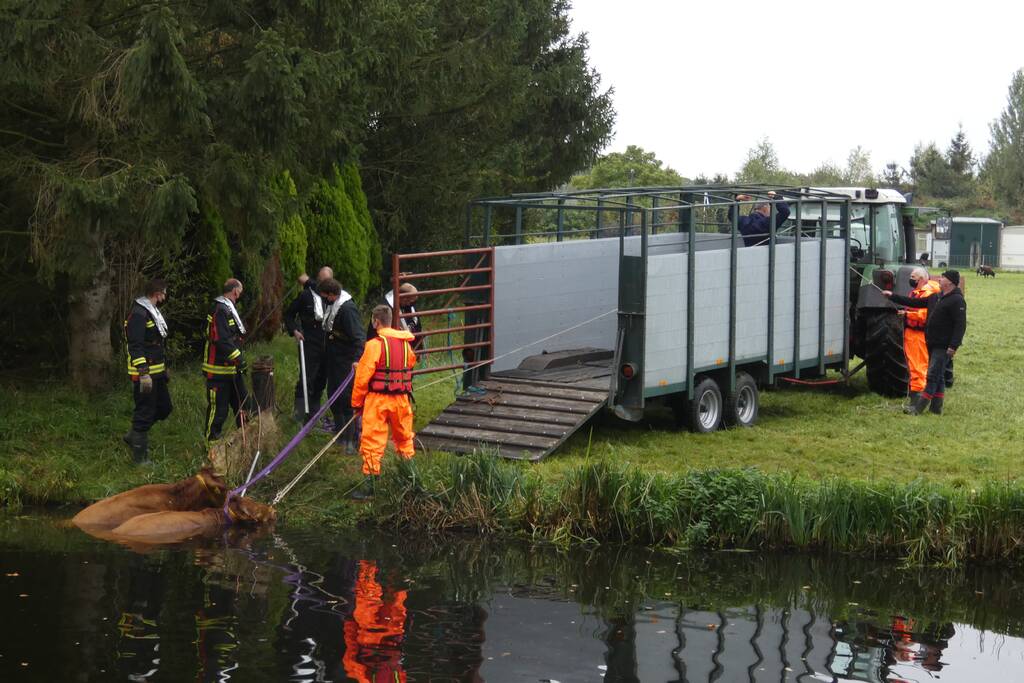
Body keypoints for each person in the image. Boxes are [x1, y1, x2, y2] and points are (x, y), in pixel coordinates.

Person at [350, 304, 417, 499]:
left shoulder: (374, 344)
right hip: (401, 399)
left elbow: (362, 378)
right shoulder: (405, 344)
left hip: (377, 400)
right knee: (404, 438)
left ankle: (370, 487)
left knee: (372, 441)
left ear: (376, 322)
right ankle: (410, 480)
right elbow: (410, 362)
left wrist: (357, 404)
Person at [883, 270, 966, 415]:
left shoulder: (957, 300)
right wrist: (892, 296)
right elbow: (914, 302)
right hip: (931, 342)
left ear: (950, 282)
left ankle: (918, 409)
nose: (939, 280)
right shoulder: (936, 297)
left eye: (943, 278)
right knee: (939, 377)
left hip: (944, 345)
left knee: (932, 375)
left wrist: (954, 346)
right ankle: (936, 409)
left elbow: (960, 325)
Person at [123, 278, 172, 464]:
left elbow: (157, 344)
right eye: (164, 293)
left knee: (165, 408)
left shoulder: (152, 311)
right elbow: (135, 345)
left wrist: (164, 369)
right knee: (145, 411)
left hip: (157, 372)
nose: (165, 297)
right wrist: (143, 372)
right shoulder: (139, 313)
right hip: (145, 374)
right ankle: (140, 459)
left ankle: (133, 434)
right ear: (157, 293)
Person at [313, 277, 365, 452]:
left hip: (346, 363)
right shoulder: (333, 305)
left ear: (331, 295)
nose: (324, 300)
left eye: (324, 297)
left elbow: (359, 338)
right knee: (334, 398)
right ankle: (340, 436)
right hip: (334, 362)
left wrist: (356, 360)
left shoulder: (347, 310)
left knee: (346, 401)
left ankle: (350, 440)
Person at [202, 278, 250, 443]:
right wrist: (238, 358)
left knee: (244, 405)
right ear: (235, 291)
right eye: (239, 292)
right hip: (218, 372)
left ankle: (246, 442)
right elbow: (221, 340)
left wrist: (238, 361)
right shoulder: (220, 309)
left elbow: (234, 336)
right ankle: (211, 446)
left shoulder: (229, 308)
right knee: (219, 411)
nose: (239, 296)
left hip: (233, 371)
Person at [283, 266, 333, 423]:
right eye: (321, 280)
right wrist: (295, 331)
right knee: (306, 379)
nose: (323, 284)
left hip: (327, 343)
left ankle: (313, 417)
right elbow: (289, 315)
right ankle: (298, 417)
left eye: (327, 281)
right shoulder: (305, 295)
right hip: (309, 341)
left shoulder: (333, 298)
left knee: (321, 380)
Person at [895, 267, 940, 404]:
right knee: (915, 366)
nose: (910, 279)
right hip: (911, 334)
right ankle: (918, 396)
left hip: (918, 335)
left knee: (918, 367)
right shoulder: (916, 292)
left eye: (913, 277)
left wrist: (907, 314)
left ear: (921, 279)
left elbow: (926, 315)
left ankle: (917, 399)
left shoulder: (928, 294)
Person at [367, 282, 423, 351]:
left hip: (405, 348)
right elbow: (374, 332)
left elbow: (417, 327)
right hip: (386, 348)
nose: (410, 304)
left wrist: (418, 350)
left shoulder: (408, 306)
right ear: (404, 298)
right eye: (410, 301)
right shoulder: (383, 310)